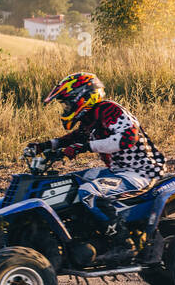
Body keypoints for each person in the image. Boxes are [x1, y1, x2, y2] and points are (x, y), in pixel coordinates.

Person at [24, 72, 166, 237]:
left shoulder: (111, 110)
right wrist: (45, 146)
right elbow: (75, 137)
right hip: (118, 171)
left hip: (141, 173)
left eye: (68, 104)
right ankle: (84, 229)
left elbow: (127, 139)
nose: (66, 108)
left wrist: (85, 147)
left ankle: (121, 240)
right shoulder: (91, 117)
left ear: (83, 98)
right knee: (71, 182)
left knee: (88, 192)